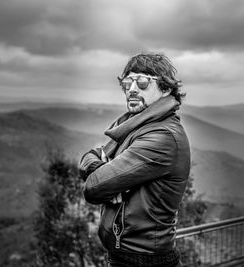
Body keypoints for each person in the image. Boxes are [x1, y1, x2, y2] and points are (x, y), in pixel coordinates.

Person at [79, 52, 191, 267]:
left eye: (142, 82)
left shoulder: (163, 136)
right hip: (127, 256)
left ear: (165, 89)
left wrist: (103, 177)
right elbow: (90, 156)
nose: (132, 89)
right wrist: (101, 167)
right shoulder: (134, 128)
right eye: (127, 82)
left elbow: (93, 188)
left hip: (145, 260)